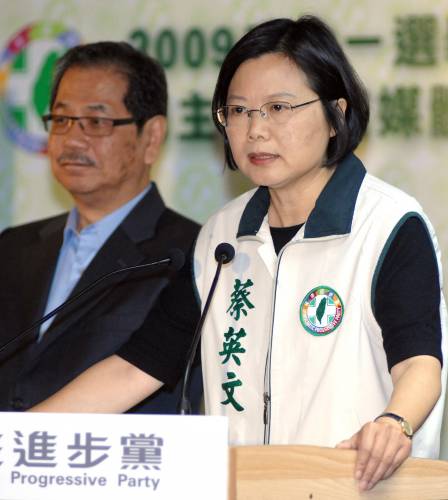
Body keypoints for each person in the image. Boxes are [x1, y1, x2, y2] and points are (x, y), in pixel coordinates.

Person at [31, 16, 447, 492]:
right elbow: (134, 369)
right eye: (239, 111)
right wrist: (17, 438)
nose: (255, 130)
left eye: (278, 108)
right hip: (245, 487)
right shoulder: (222, 236)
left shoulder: (387, 223)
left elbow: (419, 363)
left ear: (336, 114)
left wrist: (395, 422)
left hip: (358, 487)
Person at [0, 41, 202, 414]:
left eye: (96, 122)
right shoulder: (12, 248)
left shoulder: (191, 254)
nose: (72, 139)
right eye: (61, 120)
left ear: (151, 137)